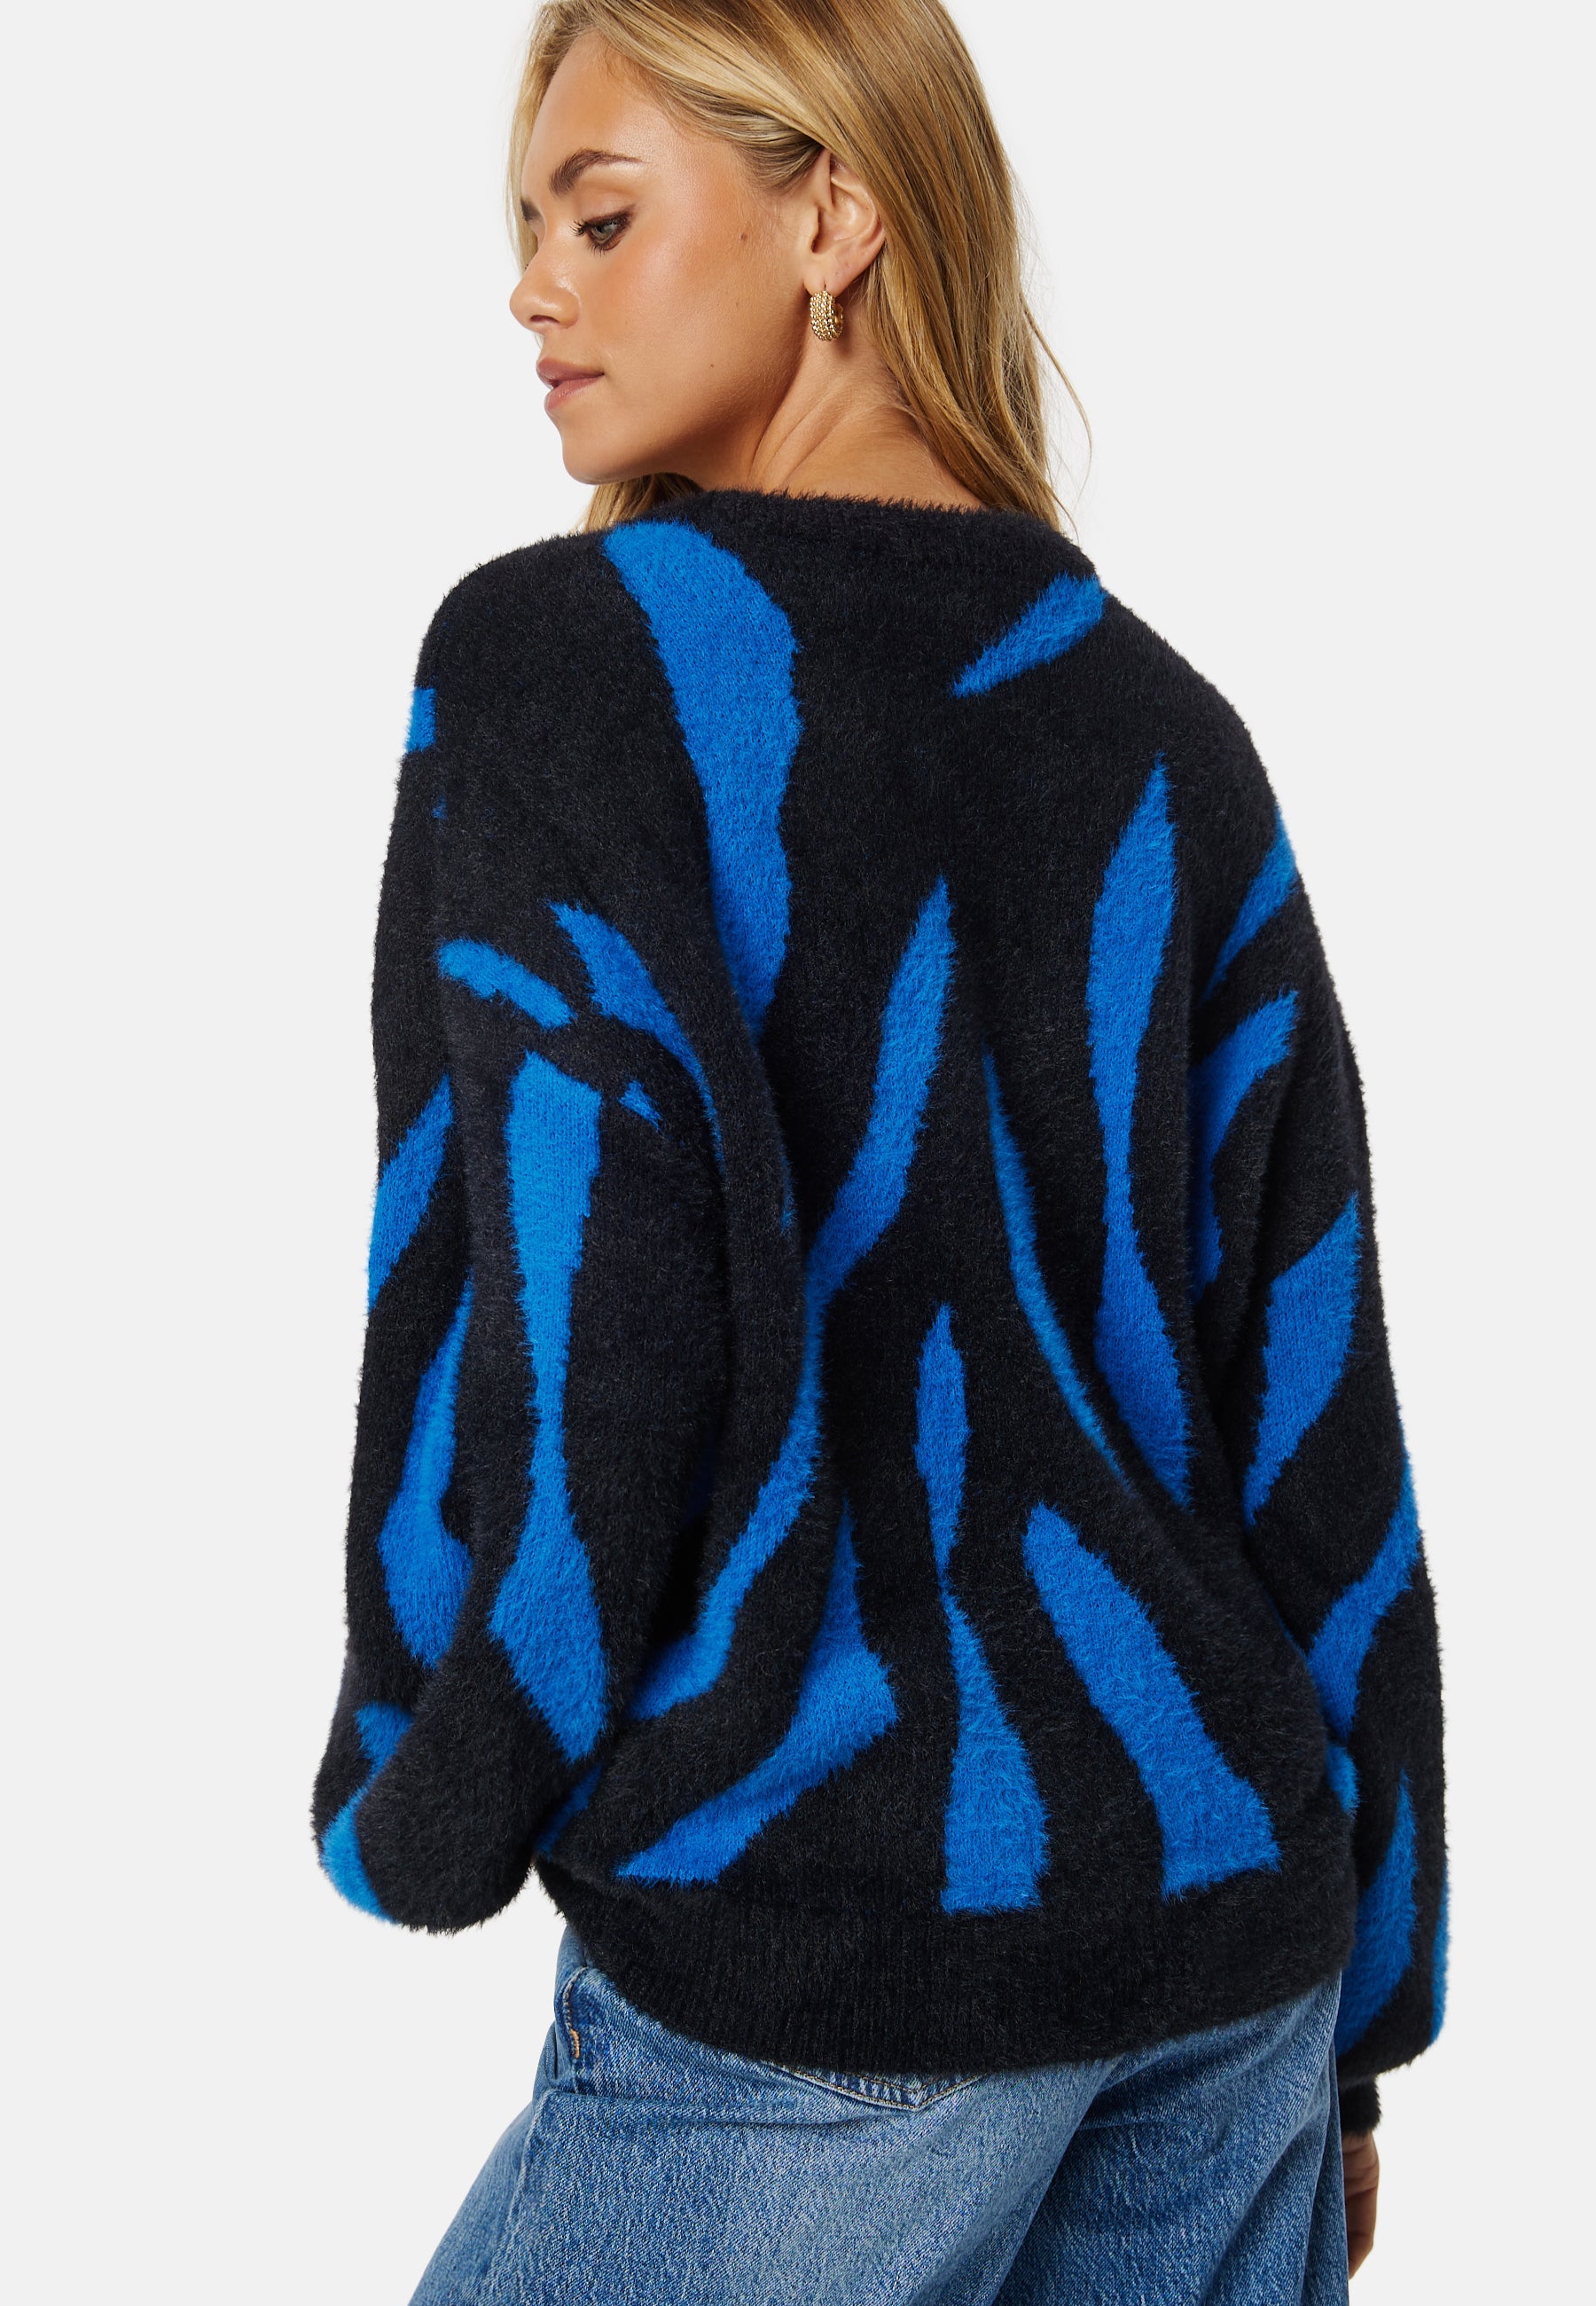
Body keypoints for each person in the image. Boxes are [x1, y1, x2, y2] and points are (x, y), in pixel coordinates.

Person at [311, 1, 1446, 2297]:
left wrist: (429, 1792)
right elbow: (1314, 1398)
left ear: (833, 214)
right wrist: (1371, 2016)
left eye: (599, 219)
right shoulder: (1167, 730)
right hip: (1232, 1944)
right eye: (527, 228)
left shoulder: (568, 665)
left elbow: (574, 1309)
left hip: (831, 1931)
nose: (531, 289)